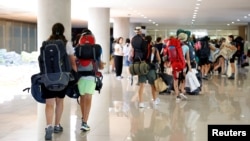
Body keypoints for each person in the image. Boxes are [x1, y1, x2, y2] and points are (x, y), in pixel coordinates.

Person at [42, 23, 77, 140]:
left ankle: (48, 126)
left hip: (47, 77)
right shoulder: (67, 44)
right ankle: (57, 125)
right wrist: (76, 74)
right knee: (60, 102)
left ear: (52, 30)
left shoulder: (46, 44)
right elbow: (72, 61)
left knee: (49, 103)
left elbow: (42, 61)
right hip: (62, 77)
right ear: (63, 31)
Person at [76, 29, 104, 131]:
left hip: (80, 77)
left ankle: (83, 118)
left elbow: (75, 62)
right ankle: (85, 122)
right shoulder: (96, 49)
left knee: (82, 98)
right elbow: (100, 66)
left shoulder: (78, 48)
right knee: (88, 98)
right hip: (91, 76)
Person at [131, 28, 161, 108]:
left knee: (141, 86)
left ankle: (141, 103)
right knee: (152, 85)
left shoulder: (140, 48)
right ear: (151, 41)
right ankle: (154, 100)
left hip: (142, 68)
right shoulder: (154, 48)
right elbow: (159, 59)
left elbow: (132, 57)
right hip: (151, 68)